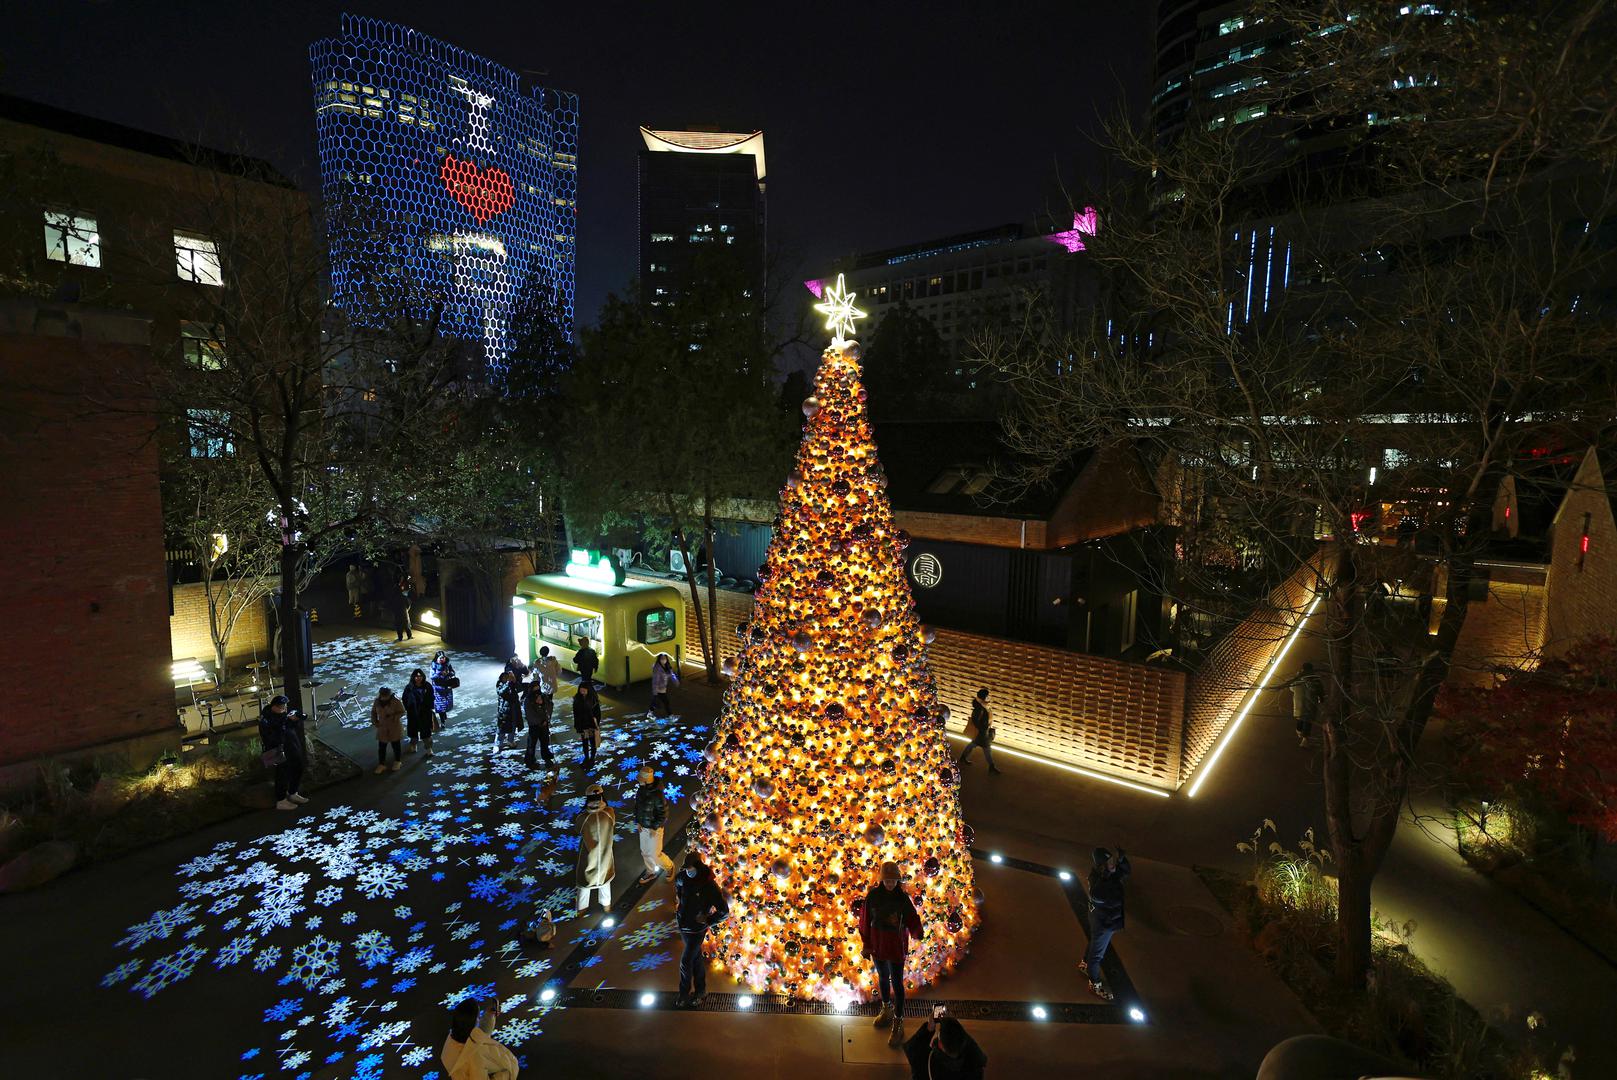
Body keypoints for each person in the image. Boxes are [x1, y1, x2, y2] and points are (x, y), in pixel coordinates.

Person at [859, 860, 923, 1048]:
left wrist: (916, 931)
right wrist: (867, 944)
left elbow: (912, 917)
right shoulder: (873, 897)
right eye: (887, 881)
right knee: (882, 977)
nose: (890, 884)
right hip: (878, 946)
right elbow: (864, 921)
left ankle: (898, 1019)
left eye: (893, 880)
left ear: (897, 881)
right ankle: (886, 1008)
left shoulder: (902, 899)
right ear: (881, 880)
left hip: (895, 947)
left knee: (897, 982)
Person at [673, 852, 730, 1007]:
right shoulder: (682, 877)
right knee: (696, 959)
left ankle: (683, 994)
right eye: (686, 869)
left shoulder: (709, 885)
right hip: (683, 926)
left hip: (696, 930)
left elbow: (724, 911)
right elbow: (677, 885)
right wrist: (680, 906)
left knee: (686, 961)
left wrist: (708, 920)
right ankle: (701, 991)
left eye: (690, 869)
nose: (688, 872)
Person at [1080, 846, 1131, 1001]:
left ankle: (1084, 964)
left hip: (1101, 919)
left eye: (1112, 860)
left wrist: (1122, 861)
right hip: (1103, 923)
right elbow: (1097, 894)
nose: (1113, 864)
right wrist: (1108, 877)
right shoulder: (1098, 880)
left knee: (1095, 942)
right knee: (1097, 954)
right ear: (1101, 866)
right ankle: (1094, 984)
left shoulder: (1110, 874)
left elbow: (1126, 873)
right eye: (1109, 862)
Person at [440, 998, 519, 1080]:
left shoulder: (454, 1036)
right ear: (471, 1022)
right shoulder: (474, 1058)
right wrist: (506, 1075)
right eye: (478, 1017)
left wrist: (489, 1016)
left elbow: (477, 1037)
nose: (479, 1018)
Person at [903, 1011, 989, 1080]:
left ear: (940, 1045)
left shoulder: (926, 1062)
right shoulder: (974, 1065)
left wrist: (929, 1029)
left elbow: (912, 1047)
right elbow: (975, 1050)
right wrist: (954, 1026)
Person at [258, 695, 307, 810]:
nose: (284, 709)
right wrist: (284, 723)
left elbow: (291, 728)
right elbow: (271, 736)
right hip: (278, 750)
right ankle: (281, 800)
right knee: (282, 774)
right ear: (273, 707)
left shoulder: (283, 715)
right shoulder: (266, 719)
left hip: (292, 747)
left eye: (284, 707)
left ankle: (293, 792)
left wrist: (294, 720)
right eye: (281, 707)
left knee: (298, 767)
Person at [575, 784, 615, 916]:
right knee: (605, 881)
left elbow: (577, 829)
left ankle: (581, 910)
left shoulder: (582, 818)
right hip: (605, 856)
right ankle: (607, 907)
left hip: (588, 858)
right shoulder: (609, 813)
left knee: (584, 884)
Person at [632, 765, 675, 885]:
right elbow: (637, 806)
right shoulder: (641, 790)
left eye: (640, 779)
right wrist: (638, 821)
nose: (638, 781)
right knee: (645, 851)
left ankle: (669, 866)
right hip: (643, 827)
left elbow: (664, 814)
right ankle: (650, 871)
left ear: (646, 780)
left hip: (654, 829)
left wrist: (655, 827)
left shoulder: (658, 795)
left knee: (655, 854)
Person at [957, 688, 1002, 774]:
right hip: (982, 733)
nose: (989, 698)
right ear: (984, 697)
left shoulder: (983, 705)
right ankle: (991, 767)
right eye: (987, 696)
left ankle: (963, 758)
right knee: (987, 748)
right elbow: (976, 720)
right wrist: (984, 728)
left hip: (982, 732)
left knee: (973, 744)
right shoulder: (979, 708)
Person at [1281, 662, 1324, 747]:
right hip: (1311, 704)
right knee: (1308, 721)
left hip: (1299, 703)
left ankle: (1300, 732)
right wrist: (1321, 698)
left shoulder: (1297, 679)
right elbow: (1320, 691)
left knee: (1300, 719)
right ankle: (1305, 739)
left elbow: (1292, 688)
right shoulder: (1315, 680)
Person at [370, 686, 405, 774]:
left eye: (386, 696)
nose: (384, 698)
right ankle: (381, 764)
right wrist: (375, 721)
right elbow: (373, 712)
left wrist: (394, 717)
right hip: (382, 727)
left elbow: (402, 711)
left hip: (394, 726)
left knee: (396, 744)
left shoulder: (395, 701)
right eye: (383, 696)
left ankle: (398, 761)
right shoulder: (377, 702)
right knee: (382, 746)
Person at [522, 677, 554, 770]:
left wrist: (543, 705)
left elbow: (550, 705)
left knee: (545, 741)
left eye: (538, 688)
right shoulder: (528, 700)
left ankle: (546, 756)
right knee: (532, 743)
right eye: (534, 689)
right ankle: (530, 760)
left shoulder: (543, 696)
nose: (537, 691)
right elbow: (530, 714)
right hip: (534, 726)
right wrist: (540, 721)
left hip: (544, 724)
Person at [402, 668, 435, 756]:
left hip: (425, 712)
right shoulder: (409, 687)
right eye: (416, 676)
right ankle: (413, 744)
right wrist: (409, 708)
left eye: (420, 676)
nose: (418, 678)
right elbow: (405, 699)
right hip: (413, 713)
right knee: (413, 731)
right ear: (413, 677)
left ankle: (429, 748)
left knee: (426, 732)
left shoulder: (427, 686)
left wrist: (430, 707)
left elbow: (431, 697)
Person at [572, 682, 602, 768]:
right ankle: (586, 758)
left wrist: (597, 724)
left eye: (584, 689)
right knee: (584, 743)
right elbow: (575, 714)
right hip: (582, 725)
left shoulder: (593, 699)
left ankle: (592, 759)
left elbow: (598, 713)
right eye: (581, 689)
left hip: (591, 725)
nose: (583, 691)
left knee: (593, 742)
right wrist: (577, 725)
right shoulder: (577, 699)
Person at [430, 651, 457, 733]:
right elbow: (432, 676)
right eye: (440, 658)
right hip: (438, 688)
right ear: (437, 659)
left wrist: (449, 673)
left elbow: (453, 672)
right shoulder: (433, 665)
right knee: (440, 705)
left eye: (443, 658)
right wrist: (440, 673)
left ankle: (444, 715)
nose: (442, 659)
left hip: (447, 687)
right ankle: (442, 721)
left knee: (446, 704)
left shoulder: (448, 664)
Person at [495, 671, 522, 751]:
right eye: (505, 678)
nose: (507, 679)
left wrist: (514, 681)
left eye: (508, 677)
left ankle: (510, 740)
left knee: (513, 725)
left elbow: (520, 689)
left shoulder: (511, 683)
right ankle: (499, 741)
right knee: (502, 726)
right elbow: (501, 692)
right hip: (504, 710)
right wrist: (508, 683)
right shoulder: (500, 684)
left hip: (513, 708)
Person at [650, 653, 679, 717]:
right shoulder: (657, 668)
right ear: (659, 659)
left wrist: (675, 681)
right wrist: (655, 691)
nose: (663, 660)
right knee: (666, 702)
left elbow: (671, 675)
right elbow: (655, 680)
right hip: (659, 689)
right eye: (662, 658)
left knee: (655, 702)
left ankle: (650, 713)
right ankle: (670, 715)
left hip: (663, 688)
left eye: (665, 658)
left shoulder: (667, 666)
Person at [392, 576, 413, 642]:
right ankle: (409, 636)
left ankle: (400, 637)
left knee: (399, 625)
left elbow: (393, 605)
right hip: (404, 612)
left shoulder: (394, 598)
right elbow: (408, 604)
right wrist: (407, 609)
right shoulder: (404, 597)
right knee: (406, 624)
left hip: (397, 613)